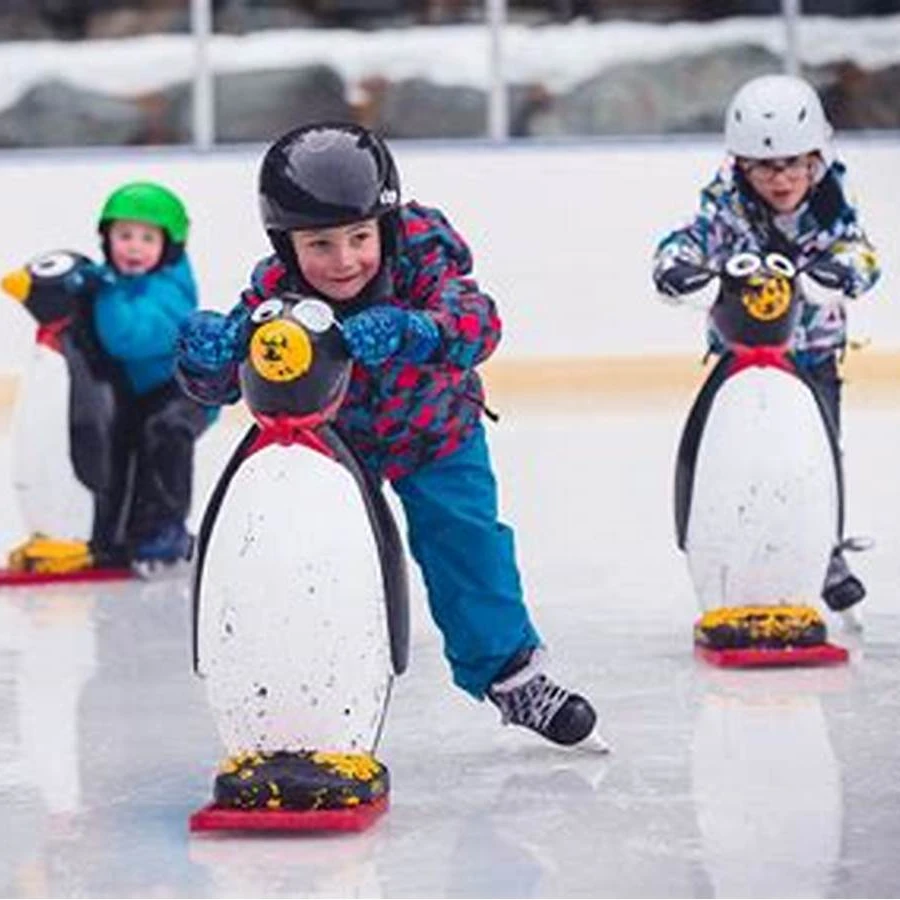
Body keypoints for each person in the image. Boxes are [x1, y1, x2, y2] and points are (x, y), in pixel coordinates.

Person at [176, 122, 601, 748]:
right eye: (319, 244)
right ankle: (302, 689)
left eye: (358, 238)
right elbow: (233, 382)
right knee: (312, 559)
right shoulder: (275, 291)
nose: (343, 261)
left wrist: (418, 330)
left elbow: (477, 322)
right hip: (333, 449)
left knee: (465, 542)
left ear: (386, 224)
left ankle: (512, 678)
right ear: (287, 245)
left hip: (435, 432)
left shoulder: (424, 256)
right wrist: (207, 361)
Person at [652, 74, 881, 614]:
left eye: (794, 164)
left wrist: (836, 273)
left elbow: (863, 256)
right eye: (765, 166)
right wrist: (681, 273)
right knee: (709, 444)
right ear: (741, 165)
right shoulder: (724, 210)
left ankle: (826, 550)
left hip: (812, 358)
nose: (781, 180)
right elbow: (677, 247)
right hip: (738, 361)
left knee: (821, 452)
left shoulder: (832, 208)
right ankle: (700, 530)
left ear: (815, 159)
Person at [60, 181, 211, 573]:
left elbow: (125, 340)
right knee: (115, 441)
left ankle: (167, 528)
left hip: (184, 389)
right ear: (106, 238)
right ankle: (116, 533)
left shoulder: (171, 294)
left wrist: (105, 293)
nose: (133, 247)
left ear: (170, 246)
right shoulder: (111, 279)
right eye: (124, 235)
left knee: (164, 430)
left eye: (147, 238)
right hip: (140, 392)